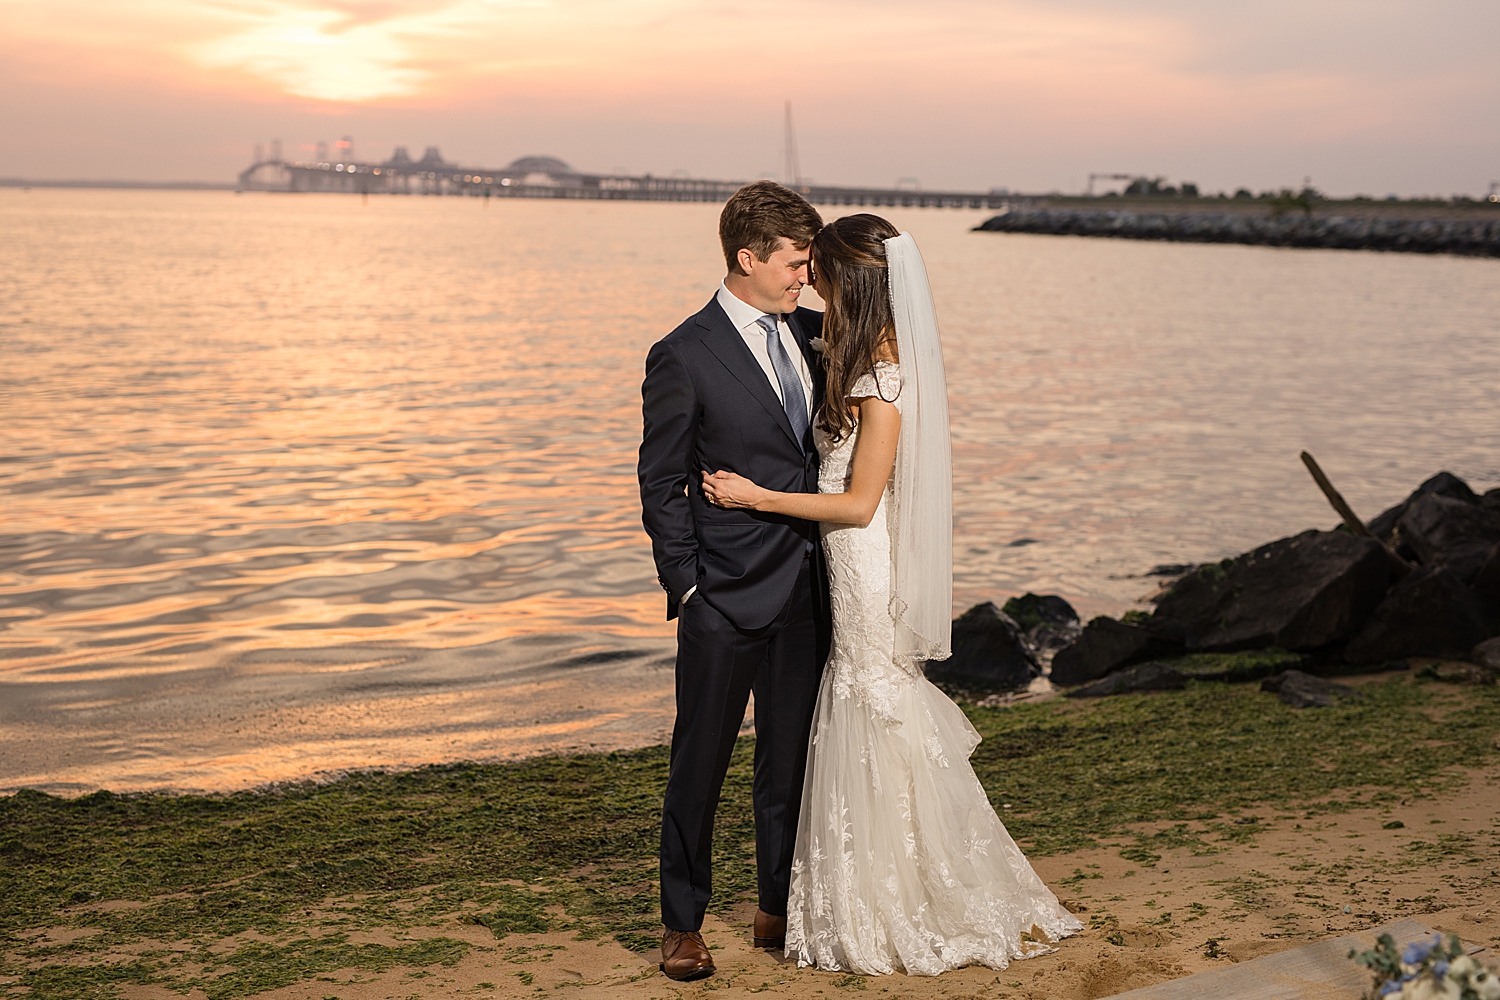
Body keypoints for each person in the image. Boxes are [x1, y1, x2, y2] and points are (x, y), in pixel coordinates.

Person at [701, 214, 1082, 975]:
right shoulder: (860, 360)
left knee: (875, 703)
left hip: (865, 566)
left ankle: (898, 894)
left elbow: (858, 503)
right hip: (846, 568)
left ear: (856, 285)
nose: (811, 282)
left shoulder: (882, 381)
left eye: (824, 274)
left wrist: (756, 497)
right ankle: (876, 885)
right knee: (868, 709)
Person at [637, 181, 831, 982]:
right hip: (722, 596)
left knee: (788, 762)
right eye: (794, 261)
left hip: (809, 593)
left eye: (810, 260)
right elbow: (661, 480)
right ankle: (681, 922)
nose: (803, 275)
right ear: (747, 258)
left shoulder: (819, 333)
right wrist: (688, 586)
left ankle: (774, 907)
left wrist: (828, 285)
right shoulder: (683, 353)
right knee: (700, 763)